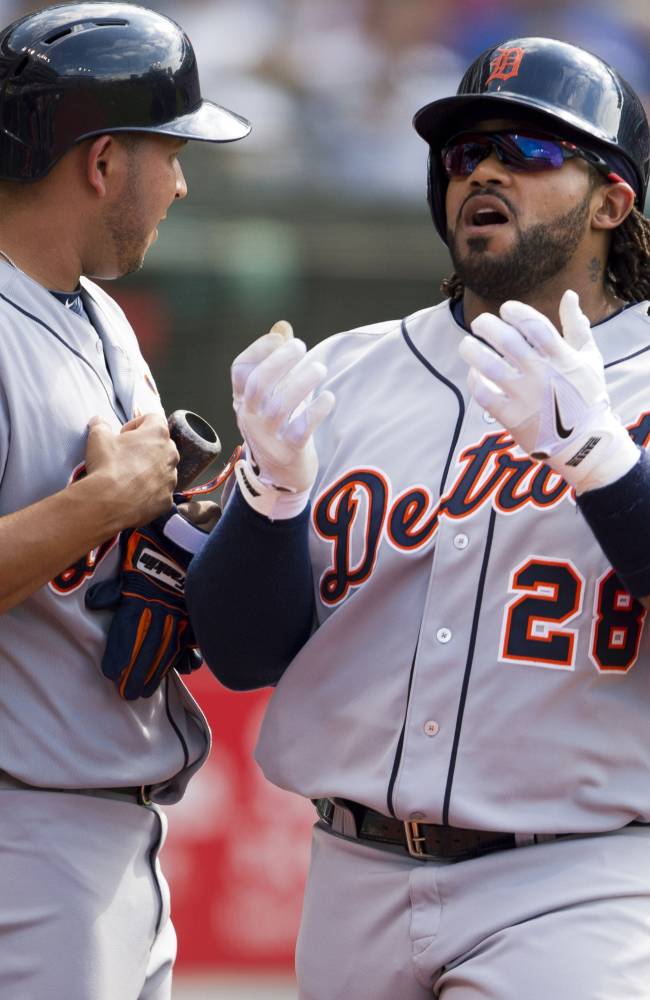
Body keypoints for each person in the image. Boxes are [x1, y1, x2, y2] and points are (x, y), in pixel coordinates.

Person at [187, 35, 650, 999]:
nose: (481, 167)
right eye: (462, 151)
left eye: (527, 150)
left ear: (614, 201)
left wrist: (603, 465)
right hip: (350, 877)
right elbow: (242, 655)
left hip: (580, 882)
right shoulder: (347, 374)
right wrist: (268, 500)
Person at [0, 4, 250, 999]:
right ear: (102, 161)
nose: (181, 181)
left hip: (103, 828)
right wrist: (102, 507)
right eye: (169, 150)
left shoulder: (94, 311)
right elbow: (100, 502)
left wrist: (201, 519)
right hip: (24, 830)